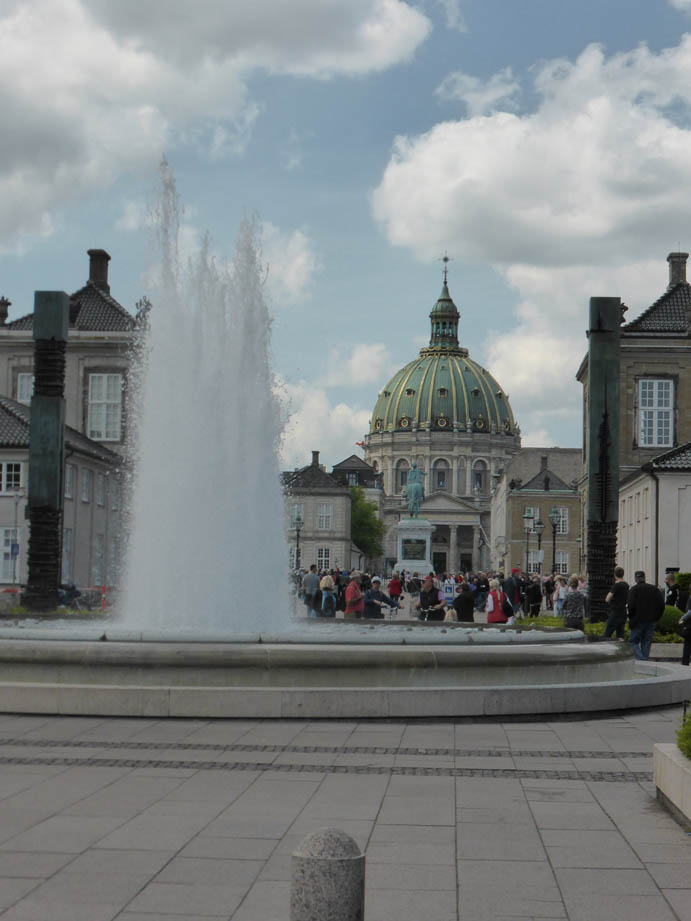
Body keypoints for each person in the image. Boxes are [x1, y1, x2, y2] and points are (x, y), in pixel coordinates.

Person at [627, 571, 665, 660]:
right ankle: (645, 662)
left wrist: (631, 618)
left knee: (632, 641)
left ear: (636, 579)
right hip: (652, 620)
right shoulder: (654, 589)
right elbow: (661, 605)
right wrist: (657, 617)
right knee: (646, 642)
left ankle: (642, 660)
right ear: (644, 578)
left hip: (638, 620)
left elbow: (631, 606)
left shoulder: (634, 589)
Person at [604, 566, 629, 639]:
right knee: (620, 635)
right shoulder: (626, 585)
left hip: (615, 613)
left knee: (607, 634)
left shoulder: (616, 586)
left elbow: (607, 599)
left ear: (615, 575)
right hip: (623, 613)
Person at [678, 595, 691, 666]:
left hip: (689, 625)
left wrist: (682, 618)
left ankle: (685, 663)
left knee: (687, 645)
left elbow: (690, 612)